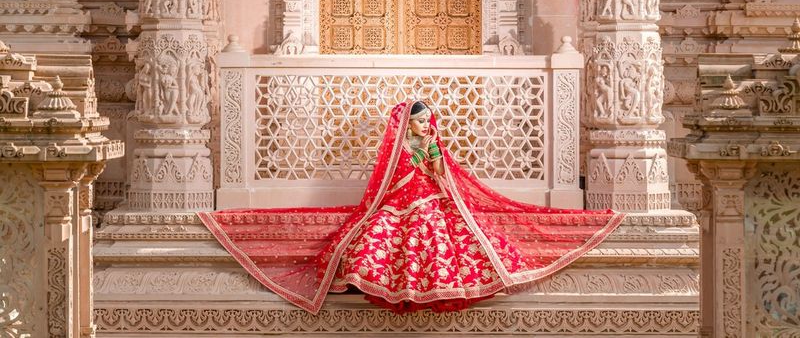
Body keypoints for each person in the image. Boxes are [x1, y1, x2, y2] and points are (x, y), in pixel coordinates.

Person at [199, 100, 624, 314]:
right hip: (399, 205)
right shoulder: (398, 149)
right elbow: (391, 184)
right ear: (406, 123)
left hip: (432, 201)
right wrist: (417, 170)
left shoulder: (429, 145)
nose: (426, 126)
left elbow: (443, 178)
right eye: (421, 121)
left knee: (453, 234)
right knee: (374, 240)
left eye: (428, 121)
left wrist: (435, 158)